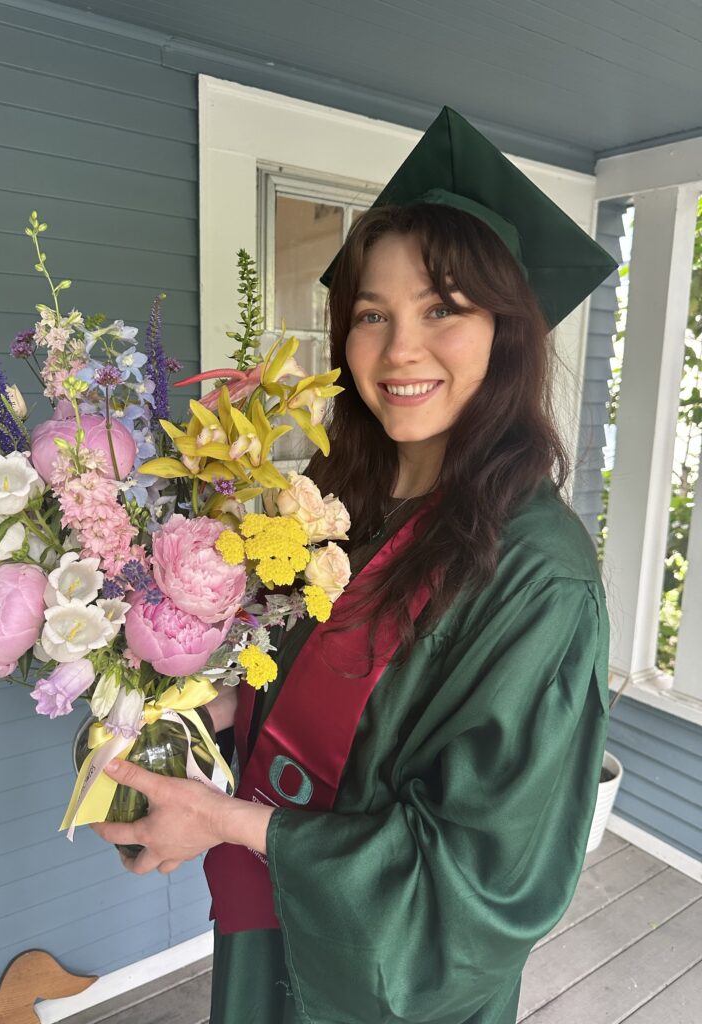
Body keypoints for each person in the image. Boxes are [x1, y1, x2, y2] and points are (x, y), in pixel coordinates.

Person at [91, 106, 618, 1024]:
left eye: (443, 309)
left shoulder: (539, 575)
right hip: (278, 918)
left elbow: (482, 879)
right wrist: (199, 719)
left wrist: (221, 822)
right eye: (373, 313)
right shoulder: (341, 504)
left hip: (384, 986)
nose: (399, 348)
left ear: (509, 333)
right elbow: (319, 701)